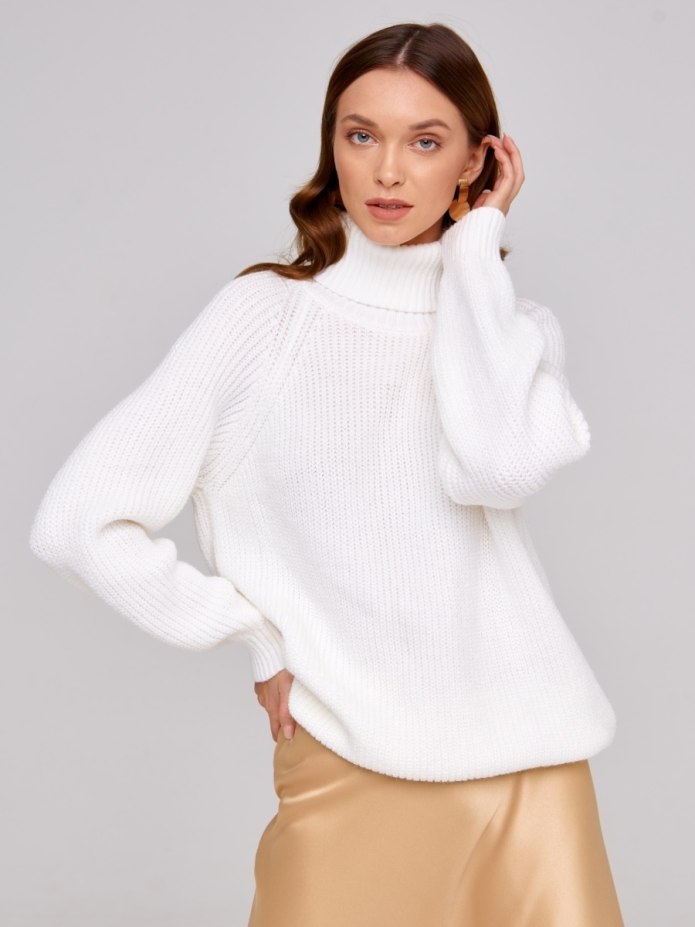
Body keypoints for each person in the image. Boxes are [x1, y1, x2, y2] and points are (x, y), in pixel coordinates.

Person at [29, 20, 625, 927]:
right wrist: (251, 633)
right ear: (332, 146)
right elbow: (77, 521)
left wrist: (475, 249)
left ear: (475, 161)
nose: (386, 171)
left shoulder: (512, 332)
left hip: (529, 768)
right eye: (361, 134)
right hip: (348, 755)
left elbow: (494, 469)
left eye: (425, 142)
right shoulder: (264, 318)